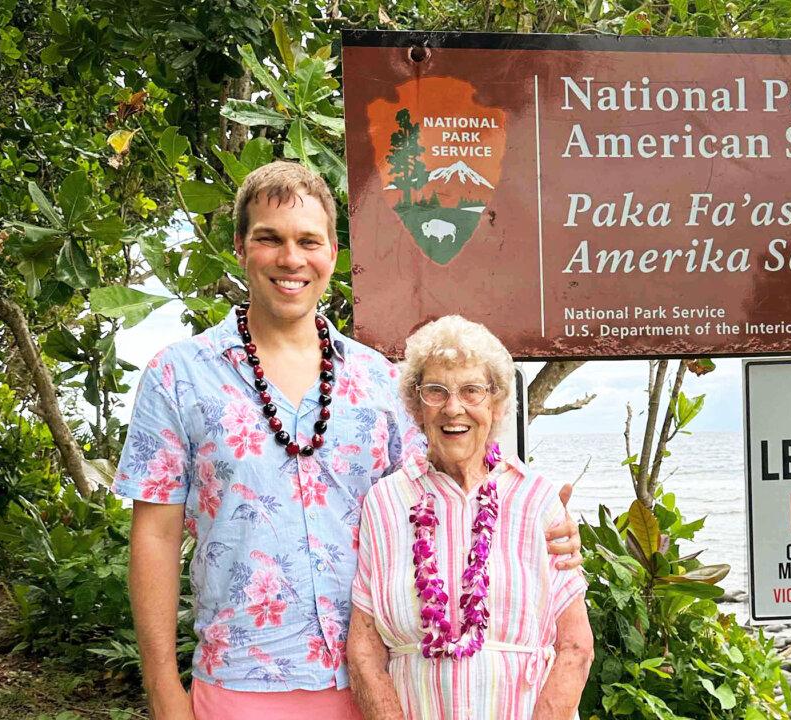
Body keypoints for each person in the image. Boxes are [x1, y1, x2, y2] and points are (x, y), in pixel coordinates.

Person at [113, 161, 581, 720]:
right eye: (270, 238)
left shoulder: (381, 381)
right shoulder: (178, 375)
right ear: (240, 247)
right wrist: (165, 690)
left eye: (308, 240)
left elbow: (446, 493)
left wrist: (542, 525)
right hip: (238, 681)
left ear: (332, 253)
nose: (291, 259)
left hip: (380, 684)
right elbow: (156, 538)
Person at [347, 316, 594, 719]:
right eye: (436, 391)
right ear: (416, 405)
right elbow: (365, 647)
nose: (453, 408)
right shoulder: (386, 502)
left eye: (471, 391)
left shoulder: (536, 499)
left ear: (495, 404)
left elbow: (576, 646)